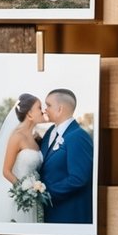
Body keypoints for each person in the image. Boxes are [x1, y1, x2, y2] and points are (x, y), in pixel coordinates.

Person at [0, 93, 45, 223]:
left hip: (33, 195)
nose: (43, 111)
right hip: (18, 197)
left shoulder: (35, 138)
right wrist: (25, 192)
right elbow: (6, 171)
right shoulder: (17, 137)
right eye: (39, 108)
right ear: (29, 114)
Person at [40, 88, 94, 224]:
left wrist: (44, 195)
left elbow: (78, 178)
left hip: (68, 215)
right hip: (49, 214)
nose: (45, 109)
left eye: (48, 105)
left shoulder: (78, 137)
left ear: (60, 109)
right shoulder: (50, 132)